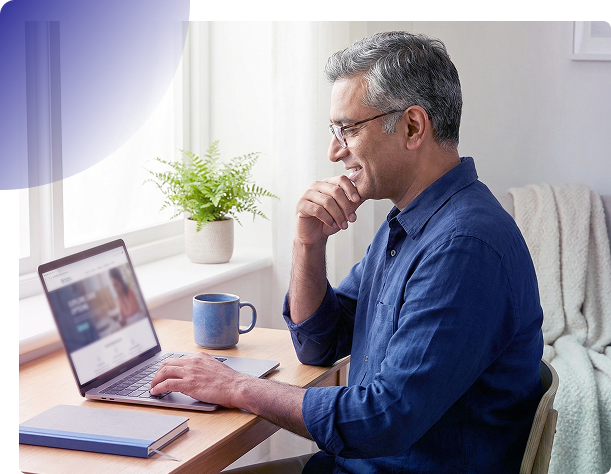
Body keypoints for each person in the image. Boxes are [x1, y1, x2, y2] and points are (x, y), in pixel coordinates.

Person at [150, 31, 544, 473]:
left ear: (413, 127)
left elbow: (381, 420)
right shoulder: (410, 222)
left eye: (348, 129)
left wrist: (236, 387)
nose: (334, 151)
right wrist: (307, 243)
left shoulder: (462, 247)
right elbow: (319, 343)